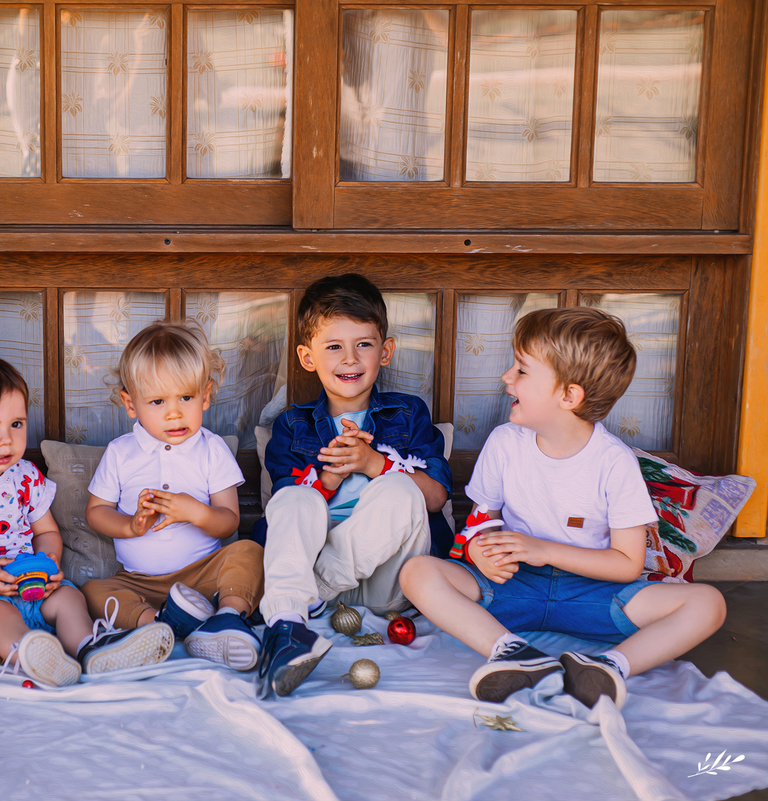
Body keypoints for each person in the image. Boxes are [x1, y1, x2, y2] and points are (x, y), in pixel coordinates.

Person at [399, 308, 727, 709]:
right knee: (417, 571)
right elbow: (480, 520)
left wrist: (545, 550)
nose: (506, 377)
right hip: (513, 585)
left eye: (521, 370)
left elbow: (627, 563)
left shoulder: (614, 462)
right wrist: (479, 550)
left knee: (708, 603)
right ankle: (511, 652)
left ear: (568, 396)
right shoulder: (505, 443)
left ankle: (608, 667)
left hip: (595, 596)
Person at [0, 355, 173, 687]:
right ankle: (31, 655)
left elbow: (46, 530)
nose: (6, 439)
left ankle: (91, 650)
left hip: (29, 585)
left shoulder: (25, 476)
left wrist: (48, 563)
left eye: (16, 424)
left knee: (69, 598)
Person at [258, 274, 452, 697]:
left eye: (363, 344)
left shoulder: (407, 413)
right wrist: (334, 472)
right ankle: (289, 623)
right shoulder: (292, 426)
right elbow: (287, 510)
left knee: (401, 490)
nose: (350, 358)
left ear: (385, 352)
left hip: (389, 579)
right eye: (334, 347)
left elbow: (435, 498)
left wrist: (375, 463)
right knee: (293, 497)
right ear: (308, 358)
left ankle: (302, 602)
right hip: (311, 557)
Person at [83, 321, 266, 671]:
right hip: (139, 582)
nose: (174, 412)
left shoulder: (211, 450)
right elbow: (96, 512)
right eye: (157, 401)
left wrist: (196, 513)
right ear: (130, 404)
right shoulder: (121, 452)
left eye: (186, 397)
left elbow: (228, 521)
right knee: (92, 591)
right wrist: (130, 526)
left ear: (206, 395)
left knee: (248, 552)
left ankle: (226, 618)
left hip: (204, 576)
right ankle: (156, 626)